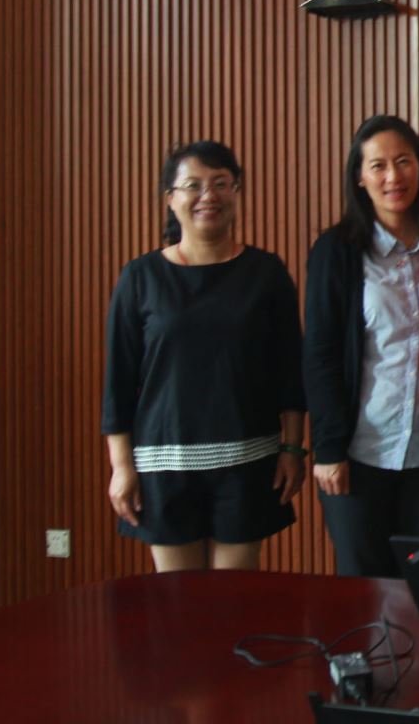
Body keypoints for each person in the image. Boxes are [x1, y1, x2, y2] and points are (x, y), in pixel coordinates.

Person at [101, 141, 306, 571]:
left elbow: (290, 371)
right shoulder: (140, 277)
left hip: (247, 461)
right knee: (178, 600)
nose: (208, 196)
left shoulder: (266, 273)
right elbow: (118, 380)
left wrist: (292, 448)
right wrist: (121, 467)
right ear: (170, 198)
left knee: (235, 599)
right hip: (163, 465)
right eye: (193, 185)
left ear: (236, 192)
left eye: (220, 183)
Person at [303, 115, 419, 576]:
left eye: (404, 161)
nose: (394, 176)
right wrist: (328, 449)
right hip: (359, 454)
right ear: (359, 177)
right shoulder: (336, 251)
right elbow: (321, 356)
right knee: (363, 589)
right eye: (379, 165)